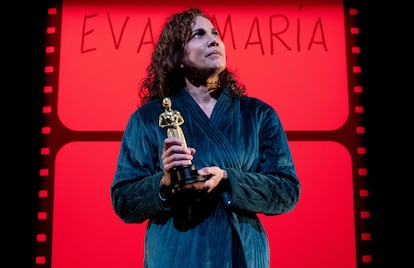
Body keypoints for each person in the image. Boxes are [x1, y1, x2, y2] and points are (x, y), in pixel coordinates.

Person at [110, 7, 301, 268]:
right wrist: (164, 182)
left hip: (242, 254)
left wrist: (227, 179)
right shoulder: (148, 118)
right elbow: (124, 201)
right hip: (175, 254)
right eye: (198, 34)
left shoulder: (258, 115)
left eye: (215, 33)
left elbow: (286, 191)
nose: (213, 40)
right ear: (177, 57)